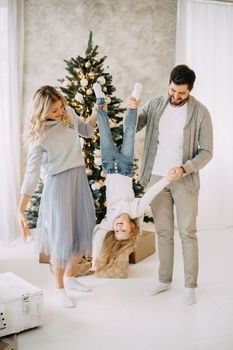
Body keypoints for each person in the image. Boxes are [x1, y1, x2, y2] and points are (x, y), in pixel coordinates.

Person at [136, 65, 213, 305]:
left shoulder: (200, 113)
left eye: (181, 93)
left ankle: (190, 285)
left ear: (190, 90)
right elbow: (133, 125)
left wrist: (184, 168)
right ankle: (164, 280)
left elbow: (207, 152)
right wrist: (130, 108)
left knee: (187, 232)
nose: (175, 96)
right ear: (169, 84)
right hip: (157, 178)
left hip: (184, 179)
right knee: (163, 232)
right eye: (173, 90)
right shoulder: (156, 105)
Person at [18, 85, 100, 308]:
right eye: (54, 110)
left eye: (61, 106)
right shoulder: (40, 137)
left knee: (83, 227)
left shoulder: (68, 112)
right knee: (61, 237)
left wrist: (95, 113)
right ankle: (59, 289)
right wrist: (21, 208)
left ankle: (71, 278)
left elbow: (87, 130)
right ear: (42, 111)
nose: (60, 111)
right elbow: (32, 174)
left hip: (78, 178)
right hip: (58, 185)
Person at [91, 83, 176, 274]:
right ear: (132, 227)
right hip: (125, 166)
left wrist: (96, 257)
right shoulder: (135, 210)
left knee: (104, 131)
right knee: (129, 132)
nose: (119, 227)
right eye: (124, 230)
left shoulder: (109, 219)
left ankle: (100, 99)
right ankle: (134, 101)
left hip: (109, 165)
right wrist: (167, 179)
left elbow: (98, 234)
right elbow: (151, 193)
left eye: (117, 231)